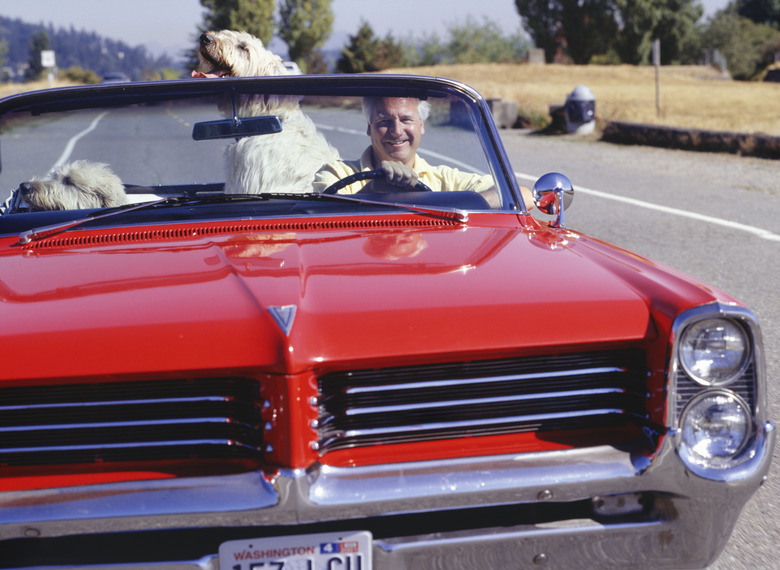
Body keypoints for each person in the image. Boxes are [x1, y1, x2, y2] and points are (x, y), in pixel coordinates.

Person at [312, 96, 530, 208]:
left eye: (406, 120)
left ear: (422, 125)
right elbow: (321, 220)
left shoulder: (446, 180)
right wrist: (372, 191)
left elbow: (522, 196)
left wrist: (439, 207)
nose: (397, 131)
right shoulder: (336, 174)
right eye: (384, 121)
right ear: (369, 127)